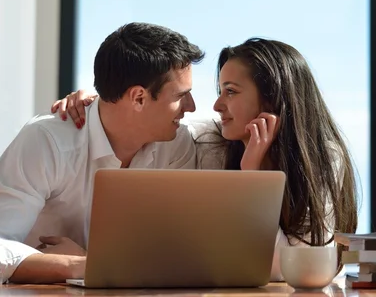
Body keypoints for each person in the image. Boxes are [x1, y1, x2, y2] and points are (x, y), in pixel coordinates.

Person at [54, 38, 359, 280]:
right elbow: (142, 115)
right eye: (219, 91)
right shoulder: (211, 143)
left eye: (230, 92)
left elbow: (289, 268)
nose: (216, 105)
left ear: (271, 98)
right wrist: (98, 101)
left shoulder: (321, 159)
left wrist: (251, 177)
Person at [0, 22, 204, 284]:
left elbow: (174, 255)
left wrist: (88, 260)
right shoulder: (48, 141)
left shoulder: (177, 144)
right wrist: (76, 265)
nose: (191, 107)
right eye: (182, 95)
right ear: (138, 97)